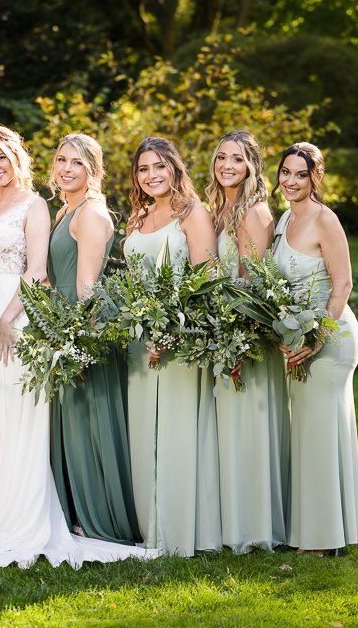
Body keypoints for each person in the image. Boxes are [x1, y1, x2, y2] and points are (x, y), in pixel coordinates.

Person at [0, 68, 153, 568]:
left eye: (2, 157)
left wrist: (8, 316)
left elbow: (39, 270)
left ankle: (12, 519)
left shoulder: (35, 207)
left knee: (8, 414)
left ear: (17, 158)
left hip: (12, 320)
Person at [122, 136, 222, 557]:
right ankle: (149, 528)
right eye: (143, 169)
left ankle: (180, 531)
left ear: (175, 168)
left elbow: (208, 279)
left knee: (178, 434)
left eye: (159, 167)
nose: (151, 176)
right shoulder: (137, 219)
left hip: (178, 342)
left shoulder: (192, 214)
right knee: (143, 435)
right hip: (137, 345)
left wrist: (172, 331)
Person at [47, 133, 142, 545]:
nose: (67, 169)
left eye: (77, 163)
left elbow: (87, 286)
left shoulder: (89, 213)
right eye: (62, 160)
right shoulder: (65, 209)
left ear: (93, 171)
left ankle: (98, 514)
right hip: (59, 319)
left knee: (89, 422)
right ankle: (73, 509)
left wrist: (77, 339)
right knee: (70, 423)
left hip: (83, 327)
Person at [273, 142, 358, 555]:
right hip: (298, 338)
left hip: (330, 338)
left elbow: (342, 283)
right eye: (286, 173)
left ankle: (322, 540)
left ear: (316, 177)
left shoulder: (325, 220)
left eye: (300, 174)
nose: (291, 181)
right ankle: (321, 530)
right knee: (310, 435)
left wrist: (316, 339)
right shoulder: (283, 220)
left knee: (320, 435)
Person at [205, 130, 290, 554]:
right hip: (224, 329)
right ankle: (232, 522)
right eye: (221, 158)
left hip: (246, 337)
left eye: (236, 160)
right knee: (230, 430)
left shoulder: (253, 213)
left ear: (252, 166)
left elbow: (253, 285)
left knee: (249, 427)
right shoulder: (221, 209)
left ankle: (255, 526)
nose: (226, 166)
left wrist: (233, 335)